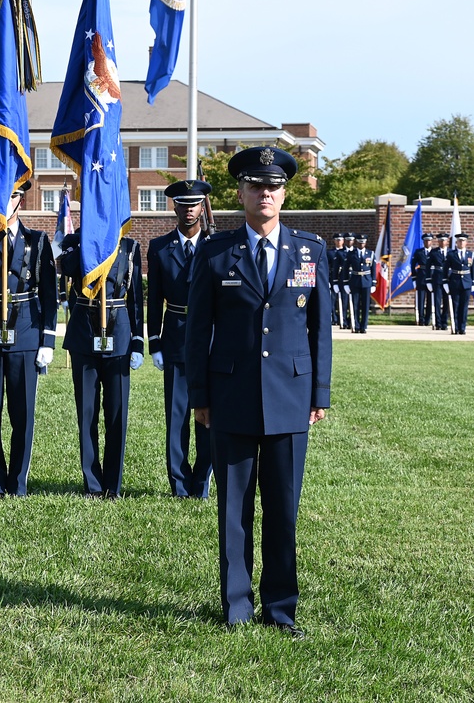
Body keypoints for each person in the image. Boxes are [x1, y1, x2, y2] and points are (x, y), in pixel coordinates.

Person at [185, 147, 331, 637]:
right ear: (242, 193)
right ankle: (237, 606)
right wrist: (199, 396)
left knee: (283, 511)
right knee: (234, 511)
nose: (264, 193)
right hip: (231, 397)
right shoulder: (214, 253)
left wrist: (320, 394)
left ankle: (281, 608)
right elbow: (196, 330)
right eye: (255, 185)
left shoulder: (311, 251)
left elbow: (319, 332)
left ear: (284, 193)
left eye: (273, 186)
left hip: (291, 398)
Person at [0, 180, 58, 497]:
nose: (10, 201)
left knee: (22, 414)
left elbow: (49, 293)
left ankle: (17, 482)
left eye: (15, 195)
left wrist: (47, 340)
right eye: (5, 195)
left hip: (26, 331)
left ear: (22, 198)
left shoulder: (38, 240)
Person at [60, 227, 143, 498]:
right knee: (87, 414)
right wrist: (90, 240)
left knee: (117, 415)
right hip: (85, 333)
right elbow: (70, 269)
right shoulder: (75, 241)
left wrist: (138, 341)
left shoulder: (129, 246)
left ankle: (113, 483)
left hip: (118, 336)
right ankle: (92, 484)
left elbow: (136, 299)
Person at [146, 180, 213, 498]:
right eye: (183, 204)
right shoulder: (159, 247)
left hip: (212, 341)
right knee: (177, 417)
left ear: (202, 208)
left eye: (194, 204)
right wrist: (154, 341)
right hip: (174, 336)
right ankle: (179, 482)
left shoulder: (217, 245)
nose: (189, 210)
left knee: (209, 415)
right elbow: (154, 298)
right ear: (173, 207)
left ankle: (202, 480)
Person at [446, 232, 474, 335]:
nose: (461, 243)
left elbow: (473, 270)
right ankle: (455, 327)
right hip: (455, 282)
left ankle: (462, 328)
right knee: (455, 306)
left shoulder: (470, 254)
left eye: (463, 241)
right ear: (456, 242)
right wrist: (445, 282)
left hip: (467, 283)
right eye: (459, 241)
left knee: (464, 307)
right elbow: (446, 269)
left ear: (466, 243)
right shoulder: (451, 254)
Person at [346, 234, 375, 333]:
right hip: (355, 281)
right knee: (355, 305)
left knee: (365, 305)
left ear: (365, 242)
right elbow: (346, 269)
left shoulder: (370, 254)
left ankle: (364, 326)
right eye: (359, 242)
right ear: (356, 242)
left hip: (366, 281)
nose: (361, 244)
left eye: (363, 242)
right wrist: (346, 283)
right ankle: (356, 325)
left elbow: (373, 269)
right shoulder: (351, 254)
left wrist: (373, 283)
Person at [410, 233, 434, 326]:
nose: (427, 242)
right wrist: (414, 278)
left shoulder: (434, 252)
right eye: (426, 240)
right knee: (420, 300)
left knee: (430, 300)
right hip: (421, 277)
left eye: (429, 240)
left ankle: (428, 319)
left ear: (431, 241)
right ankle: (421, 319)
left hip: (432, 278)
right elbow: (413, 265)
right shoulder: (418, 252)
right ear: (423, 242)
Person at [428, 233, 450, 330]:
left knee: (447, 302)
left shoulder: (451, 252)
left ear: (447, 241)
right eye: (440, 240)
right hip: (437, 278)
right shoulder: (433, 252)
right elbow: (428, 266)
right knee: (437, 301)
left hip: (448, 280)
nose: (442, 242)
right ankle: (438, 322)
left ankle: (444, 322)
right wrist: (428, 280)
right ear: (438, 241)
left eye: (444, 240)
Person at [326, 233, 346, 327]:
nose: (339, 242)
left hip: (343, 280)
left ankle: (344, 318)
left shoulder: (346, 252)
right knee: (332, 300)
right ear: (334, 241)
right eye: (337, 240)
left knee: (343, 300)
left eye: (340, 240)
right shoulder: (330, 253)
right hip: (332, 279)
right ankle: (334, 318)